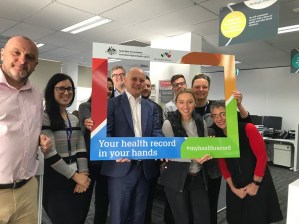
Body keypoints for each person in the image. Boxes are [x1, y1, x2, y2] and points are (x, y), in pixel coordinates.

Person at [101, 67, 163, 224]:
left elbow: (156, 133)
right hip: (120, 168)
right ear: (125, 80)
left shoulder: (152, 107)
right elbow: (105, 135)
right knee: (119, 216)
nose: (138, 83)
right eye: (134, 79)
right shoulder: (111, 104)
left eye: (141, 80)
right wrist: (115, 152)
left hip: (144, 170)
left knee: (139, 216)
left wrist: (163, 148)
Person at [0, 35, 51, 224]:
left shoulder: (36, 95)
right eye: (16, 53)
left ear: (35, 64)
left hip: (27, 189)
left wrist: (40, 140)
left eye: (29, 57)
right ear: (2, 54)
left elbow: (30, 129)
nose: (22, 61)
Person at [191, 73, 251, 224]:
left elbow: (244, 122)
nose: (201, 89)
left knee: (211, 203)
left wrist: (239, 105)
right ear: (192, 88)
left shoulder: (216, 107)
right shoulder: (187, 108)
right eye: (197, 86)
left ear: (209, 88)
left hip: (213, 167)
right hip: (191, 166)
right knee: (191, 204)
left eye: (204, 87)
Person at [210, 100, 283, 224]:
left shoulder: (247, 128)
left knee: (257, 217)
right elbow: (223, 165)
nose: (219, 119)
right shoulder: (218, 137)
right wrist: (233, 188)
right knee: (235, 218)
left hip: (257, 182)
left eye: (223, 114)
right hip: (235, 186)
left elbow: (262, 157)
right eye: (215, 116)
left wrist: (255, 184)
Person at [42, 73, 90, 224]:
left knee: (77, 218)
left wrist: (83, 174)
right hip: (55, 179)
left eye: (69, 89)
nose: (66, 92)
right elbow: (50, 153)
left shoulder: (74, 119)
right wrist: (76, 177)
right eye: (61, 89)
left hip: (76, 179)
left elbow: (81, 148)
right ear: (52, 91)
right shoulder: (44, 117)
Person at [160, 88, 212, 224]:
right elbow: (169, 152)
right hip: (176, 177)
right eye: (181, 102)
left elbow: (205, 144)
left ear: (194, 103)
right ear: (176, 104)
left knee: (203, 217)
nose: (185, 106)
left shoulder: (201, 121)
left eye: (189, 102)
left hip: (197, 176)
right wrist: (192, 156)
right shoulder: (168, 123)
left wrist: (209, 151)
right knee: (182, 219)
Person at [78, 77, 113, 224]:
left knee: (103, 201)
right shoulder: (86, 106)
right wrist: (89, 122)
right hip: (90, 161)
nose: (107, 91)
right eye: (103, 88)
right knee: (84, 199)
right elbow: (89, 121)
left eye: (110, 89)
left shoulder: (114, 107)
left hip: (107, 162)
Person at [142, 75, 163, 224]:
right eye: (144, 85)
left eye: (149, 86)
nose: (146, 88)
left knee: (148, 199)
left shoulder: (157, 108)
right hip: (129, 161)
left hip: (151, 162)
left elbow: (158, 132)